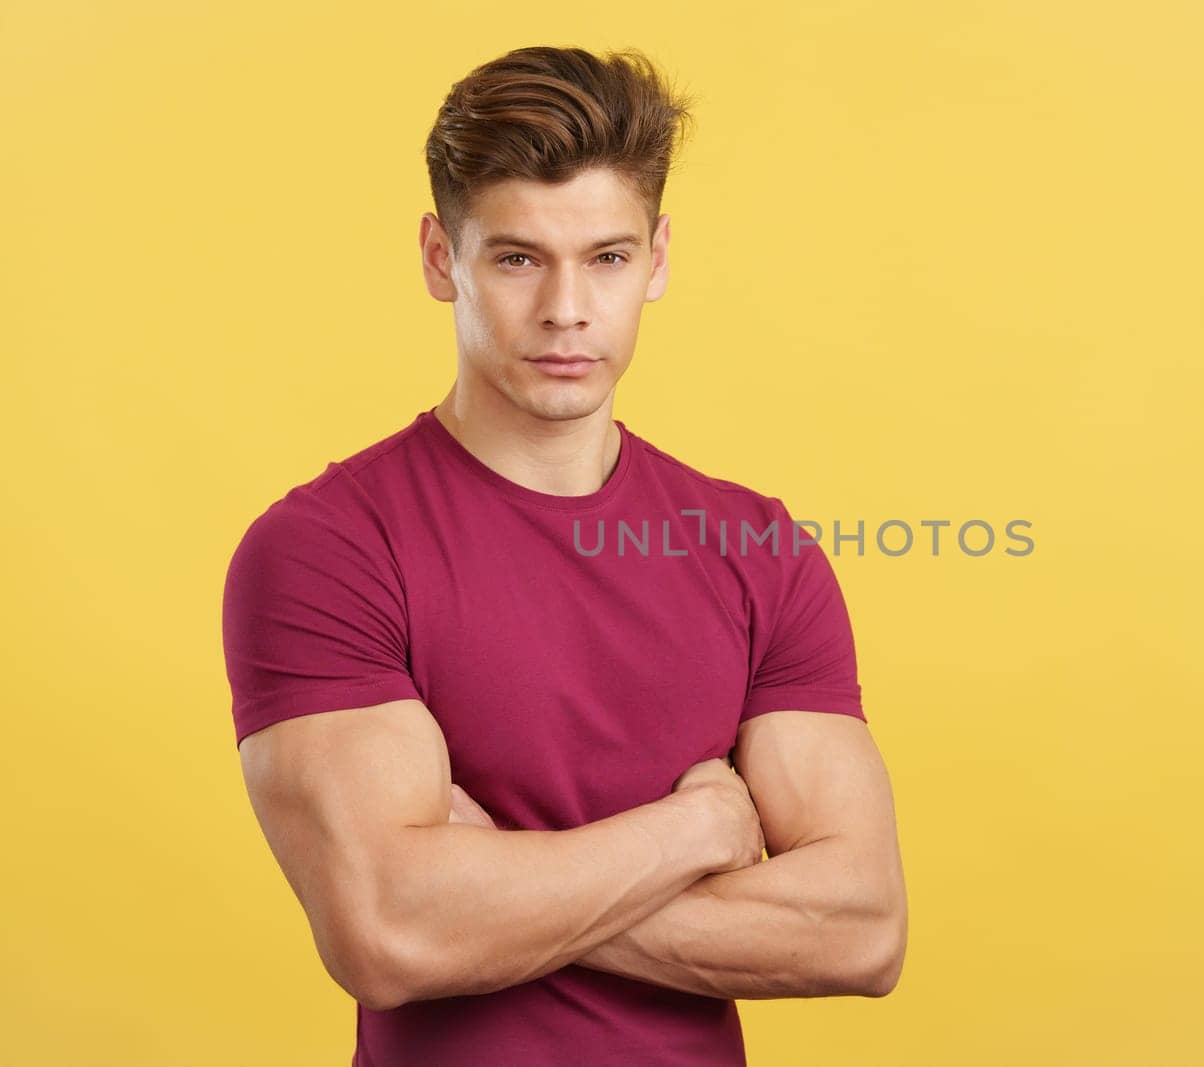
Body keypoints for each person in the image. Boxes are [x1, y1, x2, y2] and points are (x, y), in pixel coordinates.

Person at [219, 44, 907, 1066]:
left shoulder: (757, 550)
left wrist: (487, 882)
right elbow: (391, 934)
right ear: (438, 256)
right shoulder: (327, 549)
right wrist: (694, 834)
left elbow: (861, 927)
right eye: (516, 257)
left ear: (658, 258)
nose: (566, 310)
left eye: (607, 257)